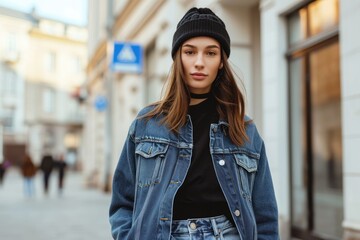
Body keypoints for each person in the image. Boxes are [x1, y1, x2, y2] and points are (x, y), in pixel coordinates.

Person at [109, 7, 279, 240]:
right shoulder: (147, 124)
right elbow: (123, 201)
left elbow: (265, 214)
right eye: (190, 52)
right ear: (178, 57)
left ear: (221, 61)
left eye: (210, 53)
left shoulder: (245, 130)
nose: (199, 62)